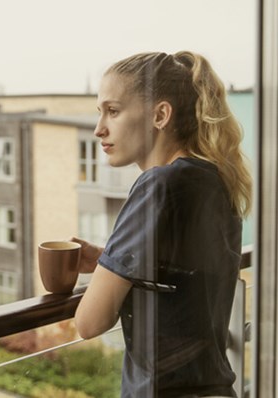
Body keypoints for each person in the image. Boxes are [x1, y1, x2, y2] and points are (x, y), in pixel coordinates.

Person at [73, 51, 252, 398]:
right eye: (99, 113)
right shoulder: (212, 179)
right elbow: (183, 284)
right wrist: (110, 259)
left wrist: (108, 269)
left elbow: (89, 322)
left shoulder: (158, 186)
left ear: (160, 114)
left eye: (113, 111)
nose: (99, 129)